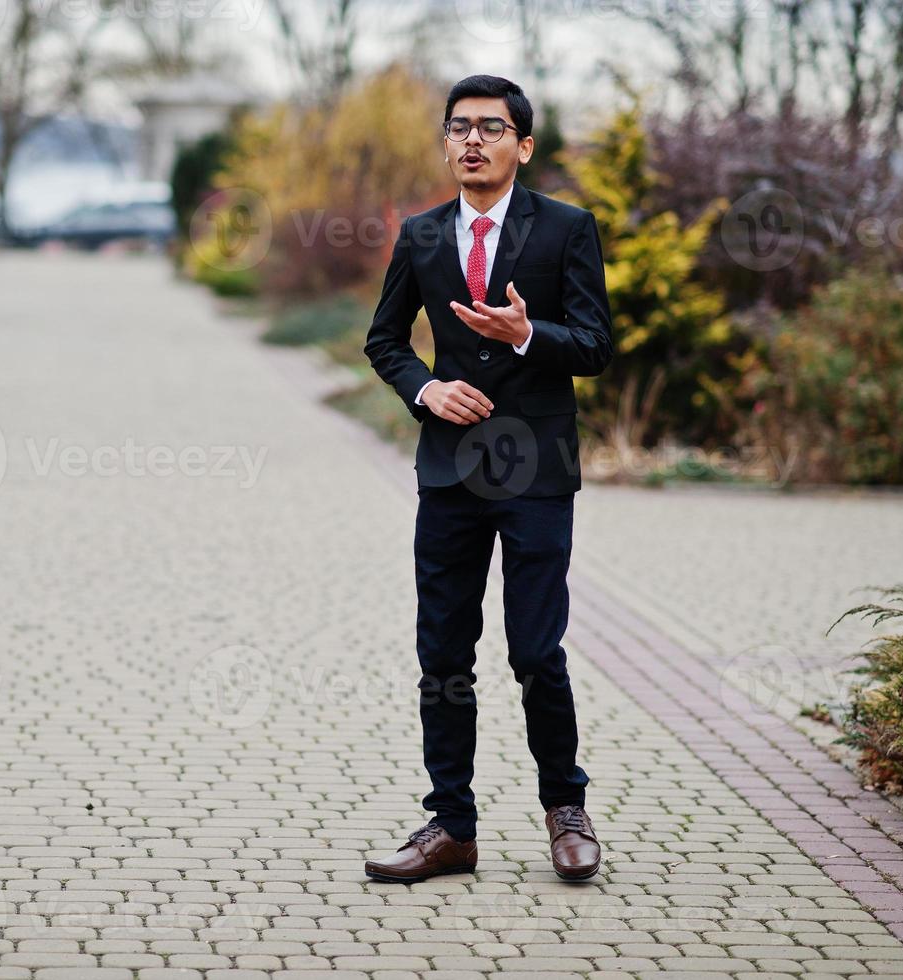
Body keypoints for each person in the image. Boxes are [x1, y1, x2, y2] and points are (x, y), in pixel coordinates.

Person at [361, 74, 614, 883]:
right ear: (445, 143)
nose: (473, 141)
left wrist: (526, 332)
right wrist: (424, 389)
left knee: (536, 649)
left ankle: (564, 811)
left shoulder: (566, 229)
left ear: (522, 146)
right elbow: (385, 341)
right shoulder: (423, 235)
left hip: (535, 466)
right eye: (459, 128)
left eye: (492, 129)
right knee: (442, 650)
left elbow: (594, 345)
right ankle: (451, 827)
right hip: (449, 469)